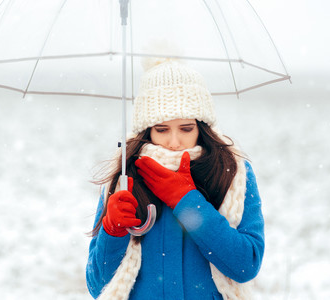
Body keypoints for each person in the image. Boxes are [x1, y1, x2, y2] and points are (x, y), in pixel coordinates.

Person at [86, 59, 264, 300]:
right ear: (147, 130)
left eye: (186, 128)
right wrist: (113, 231)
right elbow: (98, 285)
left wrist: (186, 201)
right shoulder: (126, 177)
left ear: (202, 127)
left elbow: (245, 265)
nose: (174, 141)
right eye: (161, 129)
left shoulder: (232, 173)